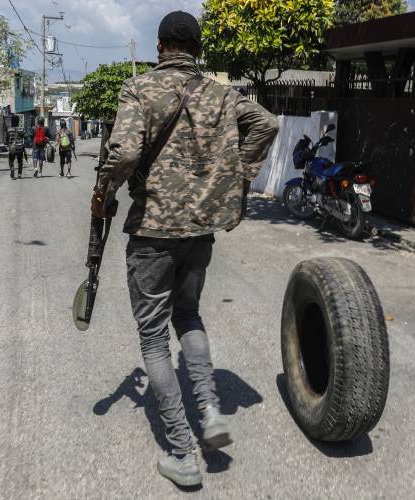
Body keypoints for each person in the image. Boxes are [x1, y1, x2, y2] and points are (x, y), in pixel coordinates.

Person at [92, 11, 278, 488]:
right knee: (189, 317)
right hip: (199, 232)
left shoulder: (138, 89)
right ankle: (211, 411)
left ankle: (182, 452)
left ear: (160, 47)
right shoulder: (221, 93)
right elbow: (267, 124)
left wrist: (106, 191)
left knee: (154, 338)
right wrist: (235, 177)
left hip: (153, 232)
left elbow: (127, 152)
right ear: (197, 48)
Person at [6, 115, 27, 179]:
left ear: (12, 121)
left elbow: (6, 139)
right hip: (20, 147)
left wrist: (8, 144)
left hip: (12, 147)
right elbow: (25, 136)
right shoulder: (21, 129)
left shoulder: (9, 129)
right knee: (20, 161)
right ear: (18, 121)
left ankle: (12, 168)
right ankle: (19, 174)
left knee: (11, 160)